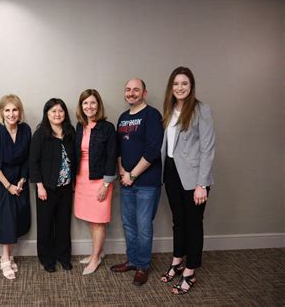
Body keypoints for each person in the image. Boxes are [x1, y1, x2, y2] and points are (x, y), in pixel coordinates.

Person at [160, 66, 215, 295]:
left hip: (194, 177)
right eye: (175, 84)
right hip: (171, 172)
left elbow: (208, 148)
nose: (179, 88)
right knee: (178, 221)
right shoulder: (170, 109)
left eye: (184, 83)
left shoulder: (201, 109)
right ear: (171, 88)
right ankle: (177, 261)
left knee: (193, 224)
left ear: (191, 86)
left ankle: (190, 271)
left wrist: (202, 184)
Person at [110, 79, 163, 286]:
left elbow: (153, 150)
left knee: (143, 226)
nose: (131, 93)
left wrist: (132, 175)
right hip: (126, 182)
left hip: (147, 183)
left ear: (144, 93)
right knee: (129, 225)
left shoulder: (151, 115)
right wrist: (122, 170)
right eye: (128, 90)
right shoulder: (123, 118)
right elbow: (119, 150)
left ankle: (143, 265)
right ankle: (132, 260)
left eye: (136, 90)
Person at [0, 94, 31, 280]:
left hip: (19, 179)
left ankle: (9, 254)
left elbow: (27, 159)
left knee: (16, 217)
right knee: (5, 219)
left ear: (20, 112)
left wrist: (22, 181)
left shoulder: (25, 130)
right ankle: (5, 259)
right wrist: (8, 185)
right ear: (1, 112)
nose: (11, 114)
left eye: (15, 110)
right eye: (7, 110)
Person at [29, 98, 76, 273]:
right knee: (45, 224)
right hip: (46, 188)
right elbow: (33, 163)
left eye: (60, 111)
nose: (57, 114)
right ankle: (46, 259)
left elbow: (75, 159)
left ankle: (63, 257)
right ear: (47, 114)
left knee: (63, 224)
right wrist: (40, 186)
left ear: (65, 113)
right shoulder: (40, 134)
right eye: (53, 111)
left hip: (66, 187)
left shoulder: (70, 132)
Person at [73, 89, 116, 275]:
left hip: (100, 179)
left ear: (98, 105)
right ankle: (95, 253)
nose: (89, 106)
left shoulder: (107, 127)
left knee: (98, 221)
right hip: (82, 178)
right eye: (85, 103)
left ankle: (96, 258)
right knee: (91, 220)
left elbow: (112, 156)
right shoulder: (79, 126)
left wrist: (106, 184)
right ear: (81, 106)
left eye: (92, 103)